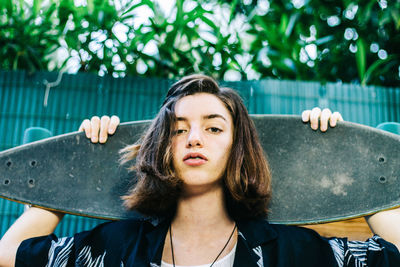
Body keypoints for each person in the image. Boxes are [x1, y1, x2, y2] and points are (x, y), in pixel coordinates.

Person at [0, 74, 399, 267]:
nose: (194, 138)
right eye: (177, 130)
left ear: (236, 147)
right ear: (161, 148)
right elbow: (7, 256)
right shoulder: (119, 246)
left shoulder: (289, 251)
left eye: (213, 127)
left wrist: (353, 158)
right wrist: (73, 166)